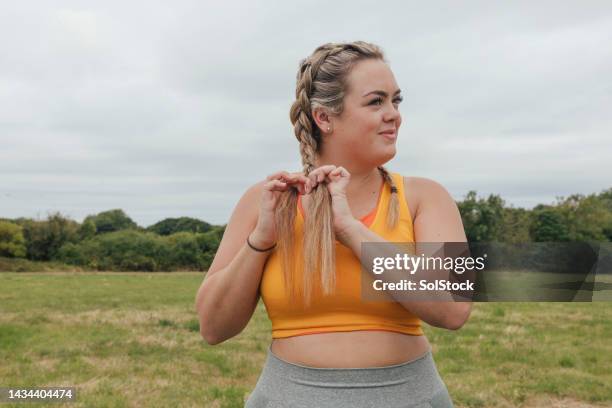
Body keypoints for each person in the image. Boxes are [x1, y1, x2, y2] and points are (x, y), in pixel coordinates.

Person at [195, 41, 471, 408]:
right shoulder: (265, 200)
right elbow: (213, 328)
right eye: (376, 101)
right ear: (324, 118)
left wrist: (353, 232)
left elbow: (453, 308)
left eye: (396, 101)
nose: (394, 115)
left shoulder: (427, 197)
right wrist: (261, 239)